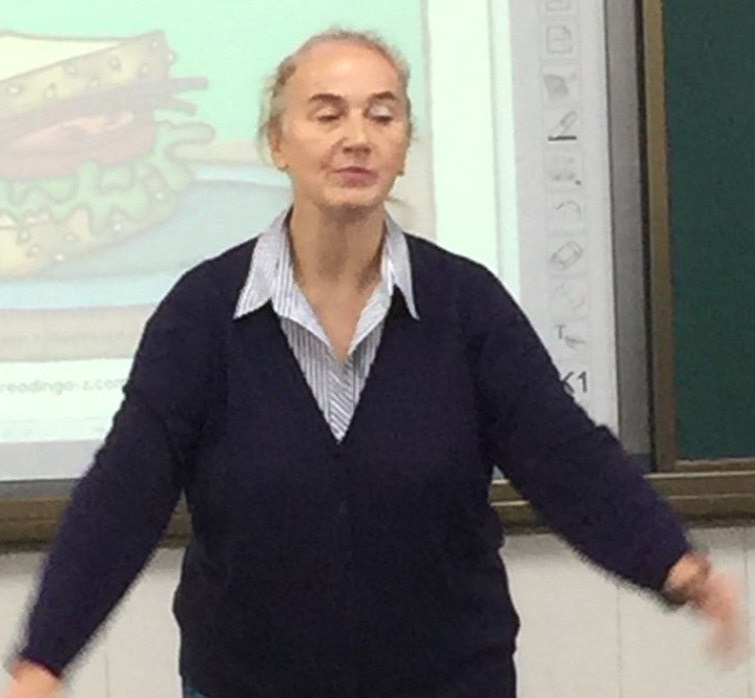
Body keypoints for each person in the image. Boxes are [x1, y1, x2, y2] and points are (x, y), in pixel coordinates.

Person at [1, 29, 746, 698]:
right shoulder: (202, 315)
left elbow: (563, 456)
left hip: (450, 681)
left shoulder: (465, 306)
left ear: (404, 145)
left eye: (381, 116)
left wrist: (673, 563)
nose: (356, 137)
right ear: (277, 142)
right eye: (327, 115)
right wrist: (45, 657)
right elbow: (123, 494)